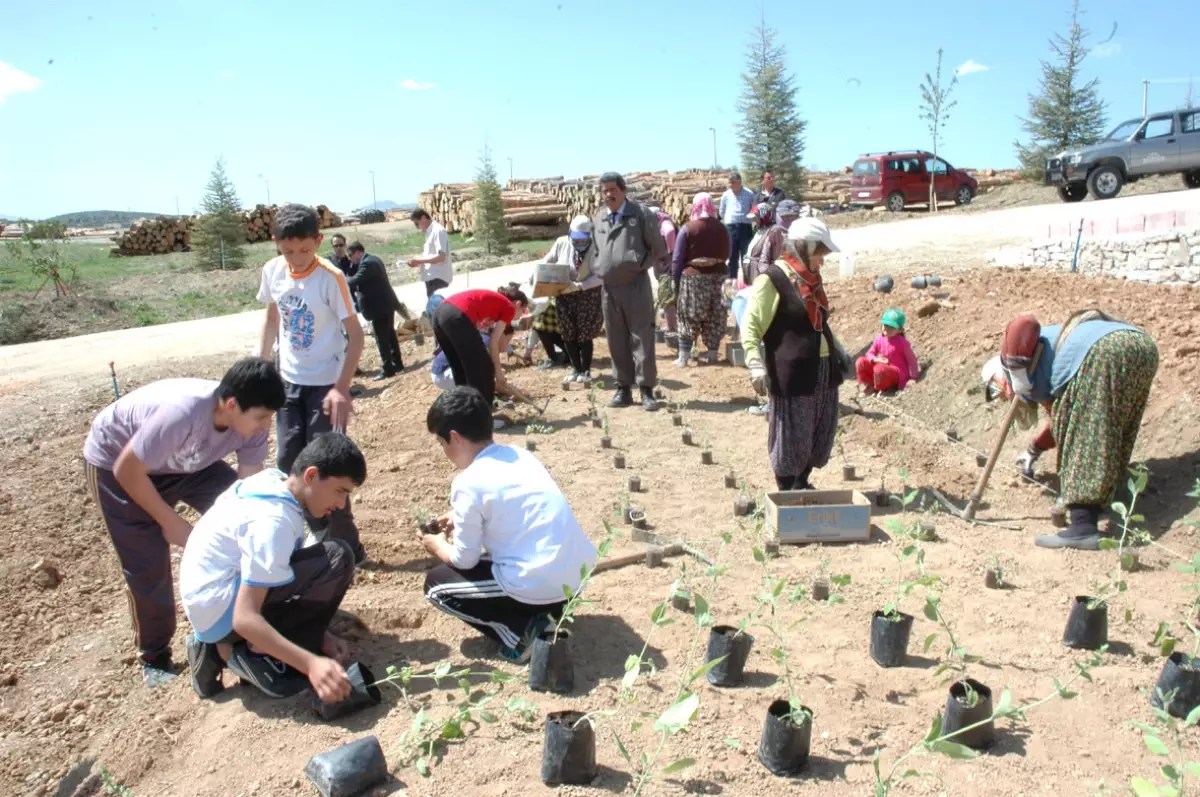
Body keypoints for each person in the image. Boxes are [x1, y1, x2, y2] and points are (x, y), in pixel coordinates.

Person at [82, 358, 286, 686]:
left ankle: (248, 614)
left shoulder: (249, 429)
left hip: (188, 462)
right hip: (118, 464)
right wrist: (170, 522)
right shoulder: (182, 414)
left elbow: (248, 498)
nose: (265, 427)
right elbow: (127, 470)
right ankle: (154, 653)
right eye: (261, 418)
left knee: (245, 527)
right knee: (147, 561)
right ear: (232, 405)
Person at [180, 433, 365, 701]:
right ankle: (239, 653)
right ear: (311, 476)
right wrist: (311, 664)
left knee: (314, 565)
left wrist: (321, 634)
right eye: (340, 491)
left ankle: (219, 645)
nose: (340, 504)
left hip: (209, 602)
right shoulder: (274, 521)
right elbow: (244, 618)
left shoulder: (273, 482)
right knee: (336, 559)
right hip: (224, 613)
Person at [421, 387, 597, 662]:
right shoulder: (518, 455)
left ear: (454, 437)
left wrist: (438, 545)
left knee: (436, 586)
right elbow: (511, 503)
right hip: (575, 580)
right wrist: (460, 514)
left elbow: (463, 560)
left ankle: (522, 634)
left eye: (441, 443)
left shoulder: (467, 483)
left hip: (542, 582)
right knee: (496, 555)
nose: (443, 450)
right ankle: (549, 612)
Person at [992, 311, 1159, 550]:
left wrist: (1034, 448)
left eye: (998, 390)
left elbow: (1064, 428)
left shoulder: (1019, 364)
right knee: (1113, 424)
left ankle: (1082, 527)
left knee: (1085, 430)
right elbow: (1058, 424)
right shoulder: (1045, 358)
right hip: (1141, 346)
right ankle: (1107, 499)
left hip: (1104, 352)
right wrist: (1034, 449)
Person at [256, 203, 365, 563]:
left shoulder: (331, 278)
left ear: (318, 241)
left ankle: (347, 547)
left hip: (325, 386)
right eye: (288, 251)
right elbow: (272, 319)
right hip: (289, 384)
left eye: (305, 249)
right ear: (276, 244)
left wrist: (342, 387)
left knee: (328, 468)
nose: (298, 258)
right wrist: (263, 368)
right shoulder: (273, 271)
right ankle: (297, 541)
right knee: (289, 463)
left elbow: (355, 335)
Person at [742, 219, 845, 491]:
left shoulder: (812, 281)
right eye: (819, 254)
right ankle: (787, 488)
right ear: (802, 248)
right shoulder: (773, 280)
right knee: (792, 437)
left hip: (822, 370)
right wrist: (754, 363)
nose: (822, 261)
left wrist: (839, 352)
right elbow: (751, 326)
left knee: (818, 432)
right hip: (792, 373)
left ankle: (802, 482)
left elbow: (819, 323)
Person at [591, 172, 666, 410]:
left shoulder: (641, 215)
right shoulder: (600, 219)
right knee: (616, 339)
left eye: (612, 190)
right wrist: (599, 267)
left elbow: (657, 247)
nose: (608, 195)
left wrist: (639, 265)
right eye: (605, 191)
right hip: (609, 289)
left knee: (641, 337)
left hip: (636, 286)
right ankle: (623, 389)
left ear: (623, 190)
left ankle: (646, 390)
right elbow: (595, 250)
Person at [431, 285, 529, 411]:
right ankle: (485, 416)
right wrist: (498, 373)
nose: (520, 316)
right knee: (484, 369)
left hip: (439, 315)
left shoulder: (494, 304)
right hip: (455, 315)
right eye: (523, 311)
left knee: (460, 369)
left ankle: (465, 411)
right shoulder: (509, 308)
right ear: (518, 304)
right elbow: (493, 341)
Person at [540, 215, 606, 384]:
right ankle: (576, 369)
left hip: (588, 295)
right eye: (576, 238)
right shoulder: (562, 242)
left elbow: (602, 275)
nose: (580, 242)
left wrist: (581, 285)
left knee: (585, 335)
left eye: (584, 239)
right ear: (570, 234)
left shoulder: (598, 248)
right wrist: (548, 276)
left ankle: (586, 371)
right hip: (564, 295)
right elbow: (547, 262)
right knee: (568, 334)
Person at [671, 192, 731, 367]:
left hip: (694, 278)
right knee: (717, 315)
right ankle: (712, 356)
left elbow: (677, 258)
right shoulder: (723, 228)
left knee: (688, 315)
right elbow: (728, 253)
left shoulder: (688, 228)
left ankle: (683, 358)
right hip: (721, 277)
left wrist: (675, 280)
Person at [346, 241, 404, 380]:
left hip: (379, 307)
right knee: (389, 335)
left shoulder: (367, 263)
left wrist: (343, 280)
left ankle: (388, 369)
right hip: (385, 304)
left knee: (381, 339)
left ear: (358, 252)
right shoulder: (373, 259)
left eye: (350, 255)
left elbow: (356, 281)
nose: (350, 259)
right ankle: (397, 363)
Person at [856, 309, 921, 394]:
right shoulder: (879, 339)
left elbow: (911, 361)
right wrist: (876, 359)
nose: (887, 328)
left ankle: (882, 388)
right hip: (882, 369)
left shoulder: (903, 343)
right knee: (861, 361)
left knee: (879, 369)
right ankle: (871, 384)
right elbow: (869, 353)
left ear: (900, 330)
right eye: (885, 325)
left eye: (891, 327)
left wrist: (913, 378)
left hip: (896, 373)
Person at [433, 326, 516, 391]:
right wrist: (504, 388)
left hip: (443, 373)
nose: (506, 347)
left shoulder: (485, 338)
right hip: (443, 374)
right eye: (508, 340)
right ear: (501, 334)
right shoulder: (486, 343)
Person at [745, 199, 803, 287]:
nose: (789, 220)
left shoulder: (803, 234)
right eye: (785, 217)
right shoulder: (774, 233)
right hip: (774, 278)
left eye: (792, 217)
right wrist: (770, 277)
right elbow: (764, 259)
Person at [648, 206, 679, 346]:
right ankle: (670, 323)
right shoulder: (656, 224)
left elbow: (670, 232)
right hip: (663, 266)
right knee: (666, 296)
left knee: (667, 297)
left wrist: (671, 250)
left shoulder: (664, 223)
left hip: (669, 266)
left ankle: (670, 325)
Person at [407, 208, 454, 298]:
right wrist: (417, 261)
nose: (417, 227)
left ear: (424, 218)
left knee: (437, 309)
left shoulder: (438, 231)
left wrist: (419, 261)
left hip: (438, 278)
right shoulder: (430, 232)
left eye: (417, 223)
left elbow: (441, 257)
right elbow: (430, 255)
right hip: (432, 278)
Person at [719, 171, 756, 280]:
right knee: (732, 257)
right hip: (731, 229)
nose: (730, 185)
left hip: (745, 228)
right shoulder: (726, 195)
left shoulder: (749, 194)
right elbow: (721, 212)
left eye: (732, 182)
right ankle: (732, 282)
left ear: (739, 182)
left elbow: (754, 210)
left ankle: (748, 282)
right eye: (729, 183)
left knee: (746, 257)